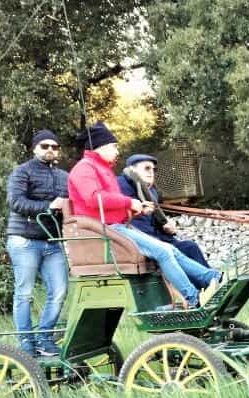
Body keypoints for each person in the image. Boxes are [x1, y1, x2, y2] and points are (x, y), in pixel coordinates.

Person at [67, 121, 222, 309]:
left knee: (169, 248)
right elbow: (93, 199)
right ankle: (191, 297)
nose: (117, 151)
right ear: (101, 146)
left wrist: (137, 209)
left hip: (117, 226)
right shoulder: (84, 168)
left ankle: (212, 278)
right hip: (105, 230)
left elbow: (110, 205)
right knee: (163, 251)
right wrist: (129, 202)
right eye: (114, 146)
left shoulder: (101, 168)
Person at [6, 129, 69, 356]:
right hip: (24, 240)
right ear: (35, 148)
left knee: (60, 290)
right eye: (45, 146)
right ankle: (26, 344)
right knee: (24, 293)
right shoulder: (22, 171)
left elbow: (73, 205)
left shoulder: (64, 176)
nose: (50, 150)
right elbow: (15, 202)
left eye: (54, 146)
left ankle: (44, 338)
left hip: (52, 242)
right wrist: (48, 207)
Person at [117, 153, 210, 267]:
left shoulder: (152, 191)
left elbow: (154, 218)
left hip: (158, 237)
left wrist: (166, 227)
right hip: (137, 239)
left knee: (189, 247)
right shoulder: (119, 185)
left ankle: (209, 280)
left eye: (153, 169)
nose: (151, 172)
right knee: (176, 252)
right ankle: (207, 279)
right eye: (147, 168)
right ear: (132, 170)